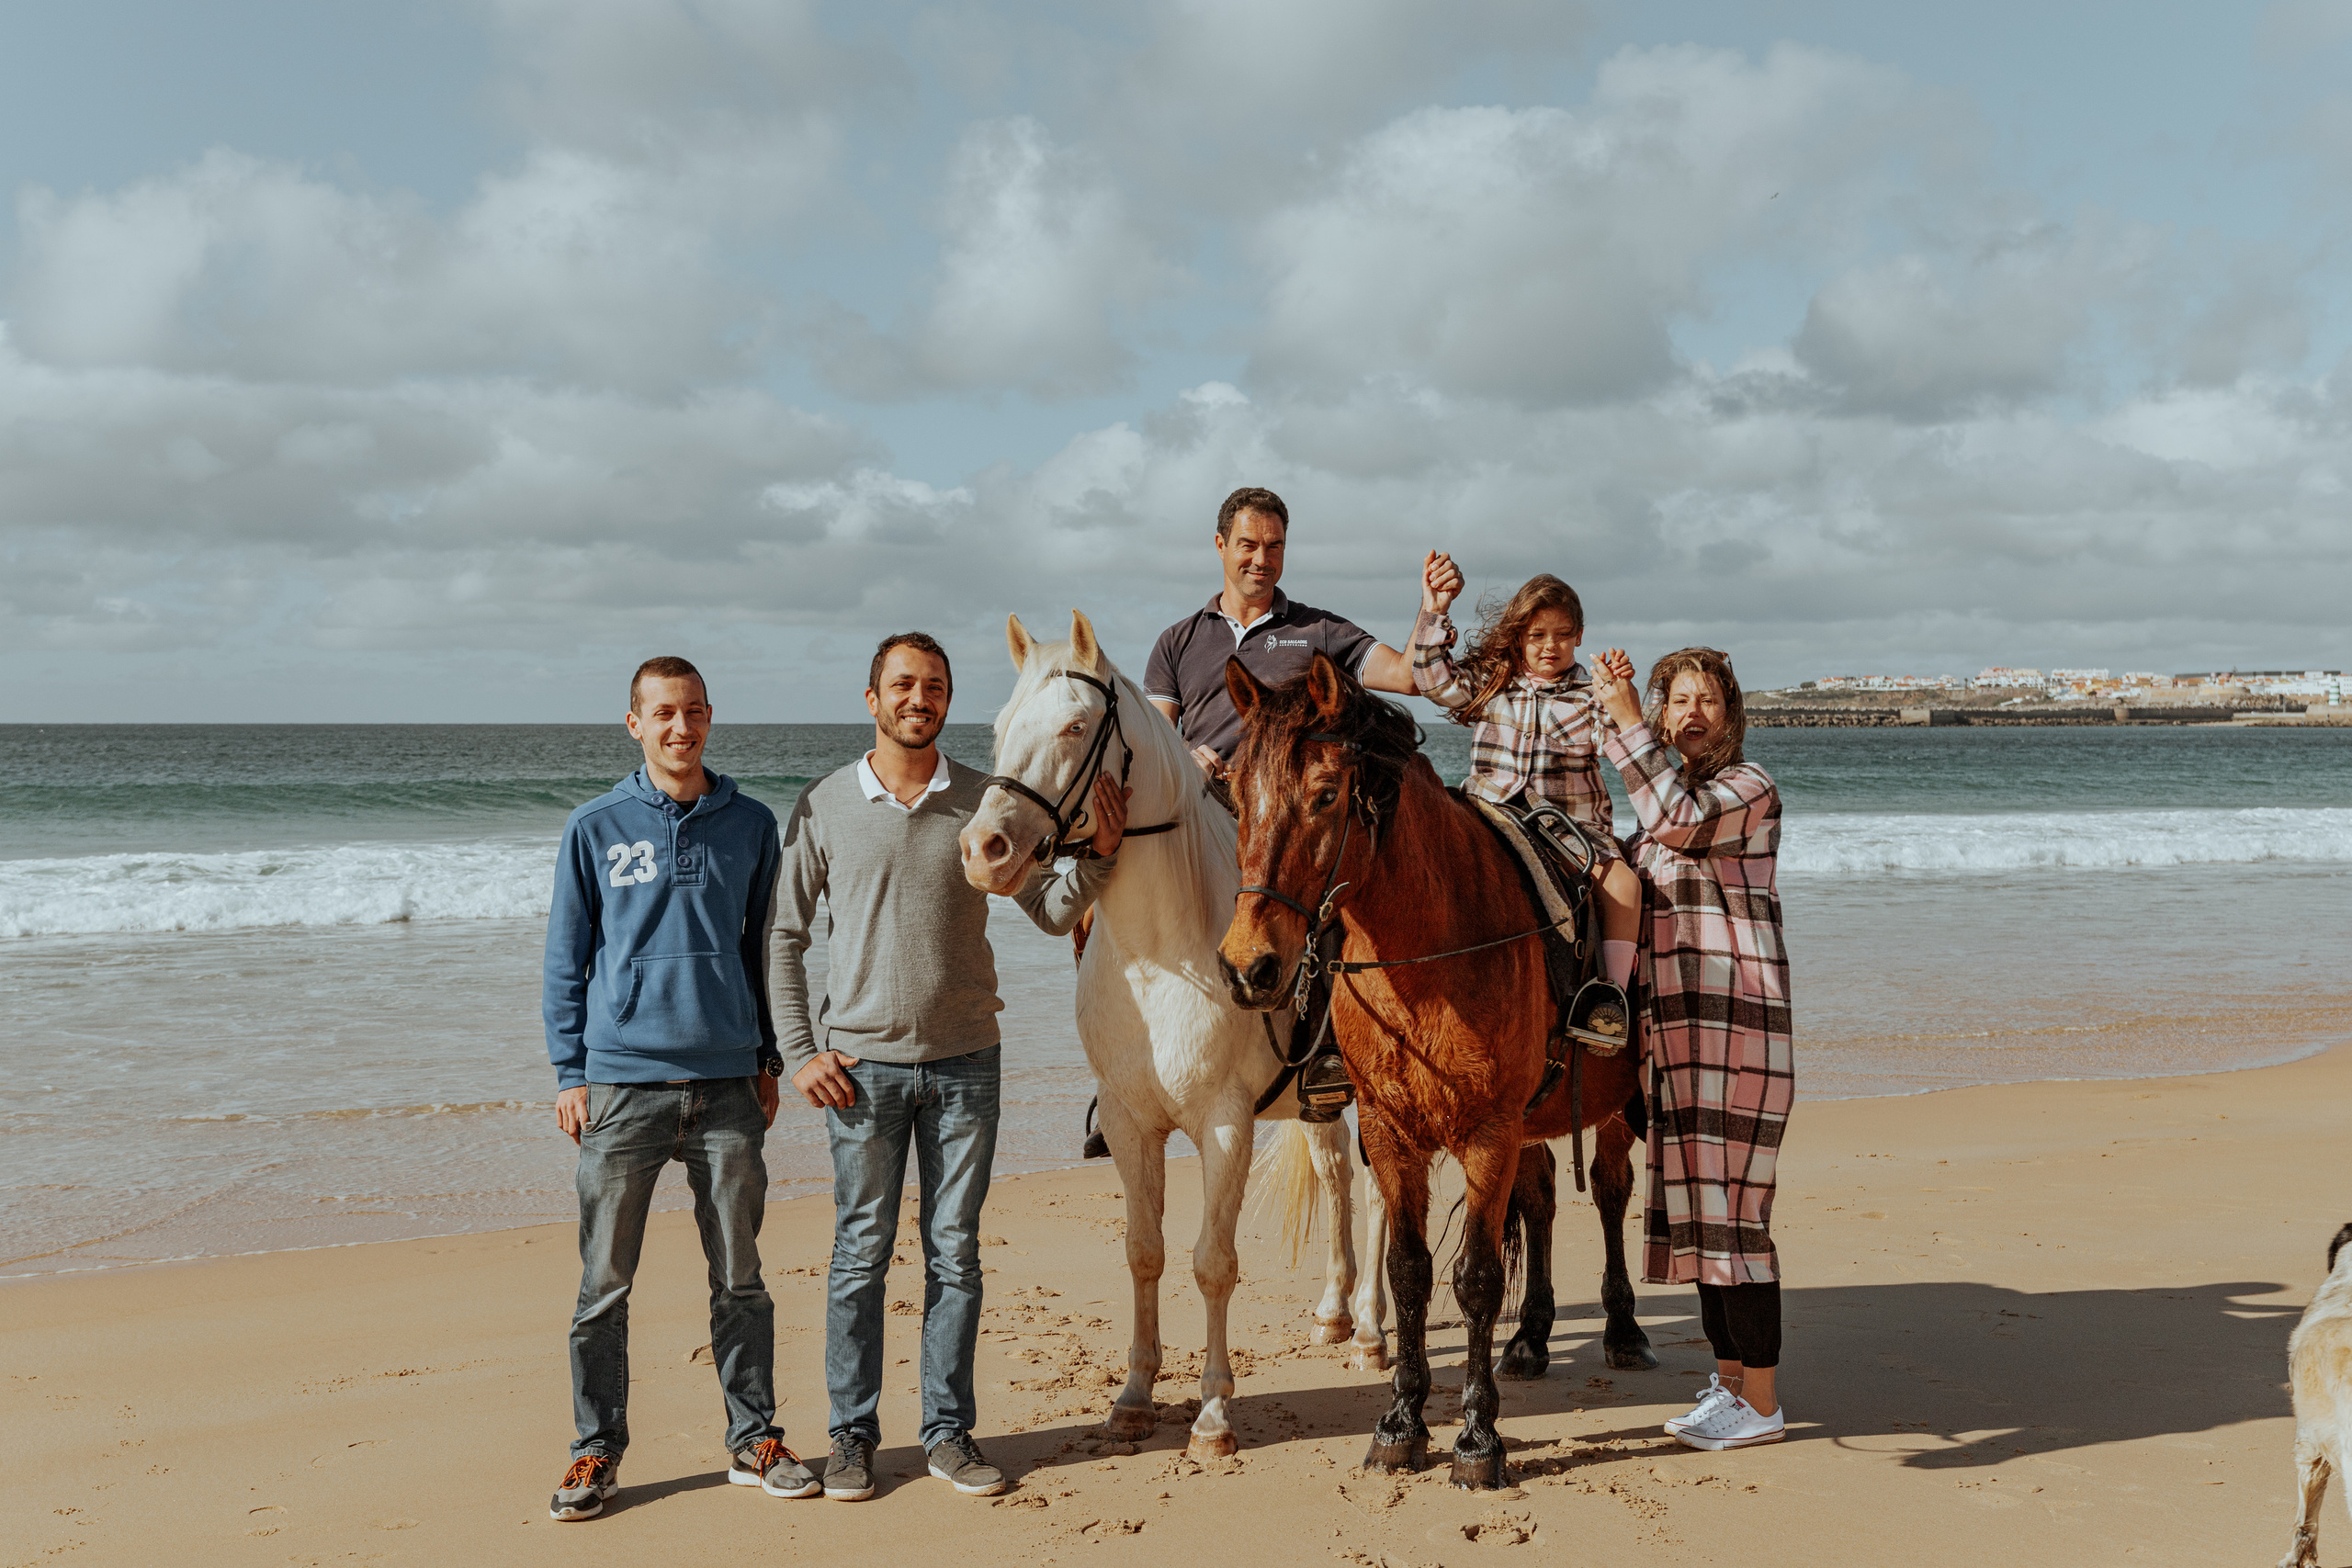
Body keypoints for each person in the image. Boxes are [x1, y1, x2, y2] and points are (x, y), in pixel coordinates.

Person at [767, 631, 1124, 1503]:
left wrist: (1102, 857)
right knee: (860, 1255)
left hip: (968, 1062)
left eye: (933, 685)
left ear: (947, 700)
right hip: (862, 1073)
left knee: (955, 1255)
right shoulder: (823, 804)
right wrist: (798, 1053)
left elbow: (1046, 906)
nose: (917, 697)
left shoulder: (982, 797)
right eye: (902, 684)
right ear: (872, 698)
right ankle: (851, 1435)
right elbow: (783, 935)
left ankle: (947, 1432)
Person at [543, 656, 811, 1523]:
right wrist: (570, 1072)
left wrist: (768, 1057)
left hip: (729, 1084)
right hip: (621, 1088)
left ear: (709, 719)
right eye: (662, 713)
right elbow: (566, 959)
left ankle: (754, 1438)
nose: (679, 727)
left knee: (740, 1277)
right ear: (634, 723)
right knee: (604, 1287)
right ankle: (595, 1451)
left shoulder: (750, 824)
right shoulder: (594, 826)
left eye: (693, 712)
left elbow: (765, 950)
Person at [1132, 485, 1419, 1121]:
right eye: (1248, 545)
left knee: (1341, 900)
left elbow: (1405, 676)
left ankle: (1326, 1055)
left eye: (1274, 546)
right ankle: (1120, 1070)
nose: (1261, 559)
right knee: (1112, 901)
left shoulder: (1315, 629)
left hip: (1285, 818)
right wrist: (1188, 758)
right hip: (1202, 816)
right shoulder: (1177, 642)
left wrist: (1431, 611)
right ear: (1220, 547)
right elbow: (1156, 741)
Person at [1591, 646, 1794, 1452]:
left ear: (1730, 712)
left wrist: (1626, 719)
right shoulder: (1650, 825)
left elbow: (1678, 815)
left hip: (1738, 1033)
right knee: (1700, 1224)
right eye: (1676, 700)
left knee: (1737, 1223)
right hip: (1675, 1046)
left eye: (1706, 699)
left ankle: (1765, 1402)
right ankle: (1734, 1384)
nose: (1691, 712)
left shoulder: (1751, 790)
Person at [1407, 556, 1645, 1034]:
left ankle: (1609, 998)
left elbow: (1625, 745)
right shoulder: (1495, 681)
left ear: (1580, 634)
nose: (1549, 646)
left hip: (1569, 829)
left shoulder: (1592, 695)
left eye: (1561, 634)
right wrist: (1435, 608)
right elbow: (1432, 680)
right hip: (1489, 816)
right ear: (1519, 638)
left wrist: (1624, 696)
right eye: (1536, 636)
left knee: (1625, 887)